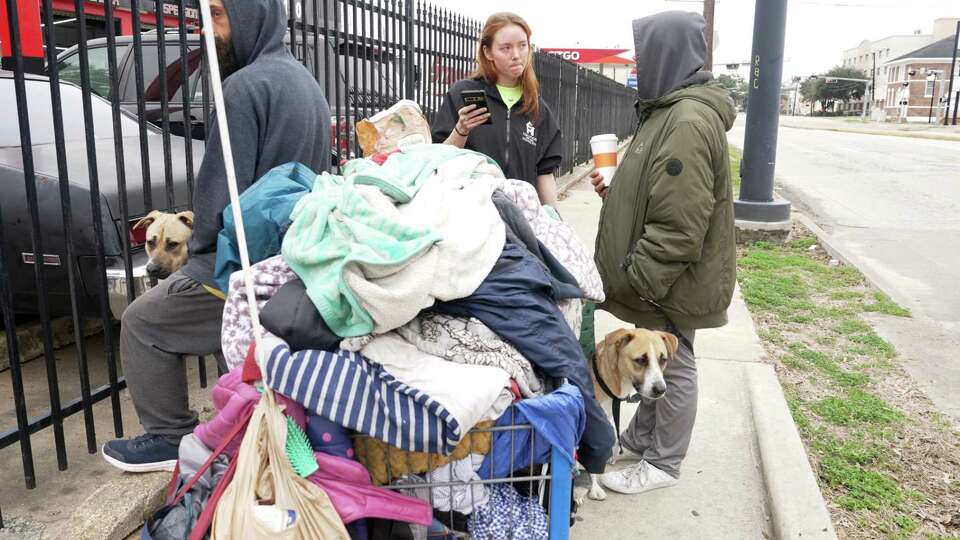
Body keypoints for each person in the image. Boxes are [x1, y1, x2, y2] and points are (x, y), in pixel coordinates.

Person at [102, 0, 331, 472]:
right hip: (295, 264)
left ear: (253, 17)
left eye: (219, 15)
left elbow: (219, 199)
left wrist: (197, 261)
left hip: (244, 267)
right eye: (202, 15)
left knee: (143, 320)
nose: (206, 28)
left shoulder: (243, 88)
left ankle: (168, 436)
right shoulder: (306, 83)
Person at [588, 11, 736, 494]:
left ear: (665, 56)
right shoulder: (668, 113)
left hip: (667, 280)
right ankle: (639, 439)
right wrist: (616, 193)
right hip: (661, 278)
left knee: (673, 366)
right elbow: (658, 192)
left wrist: (638, 276)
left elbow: (680, 222)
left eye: (644, 54)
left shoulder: (687, 120)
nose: (638, 64)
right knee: (654, 366)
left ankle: (663, 464)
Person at [432, 12, 562, 208]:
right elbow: (439, 160)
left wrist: (555, 219)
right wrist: (461, 130)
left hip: (521, 218)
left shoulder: (537, 108)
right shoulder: (464, 94)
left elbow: (544, 173)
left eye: (522, 45)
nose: (516, 55)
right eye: (506, 48)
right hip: (470, 213)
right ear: (488, 52)